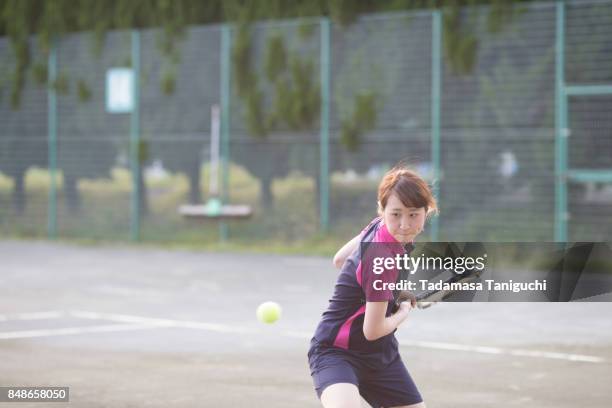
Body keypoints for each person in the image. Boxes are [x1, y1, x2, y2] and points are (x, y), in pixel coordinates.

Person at [308, 165, 438, 408]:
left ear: (426, 211)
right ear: (383, 209)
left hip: (381, 357)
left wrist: (394, 291)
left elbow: (340, 259)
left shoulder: (378, 225)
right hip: (338, 352)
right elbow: (374, 329)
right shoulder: (381, 256)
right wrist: (403, 311)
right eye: (396, 214)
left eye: (413, 214)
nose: (404, 224)